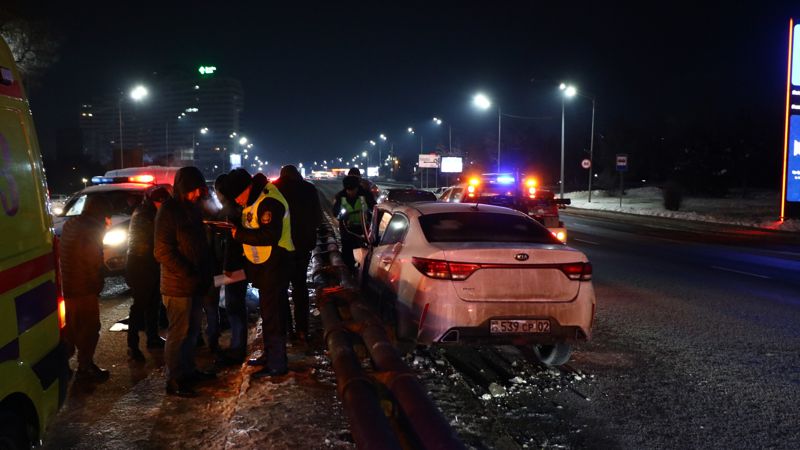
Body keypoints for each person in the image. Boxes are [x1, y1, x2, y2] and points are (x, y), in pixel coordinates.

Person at [224, 168, 294, 378]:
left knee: (273, 315)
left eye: (237, 196)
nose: (237, 201)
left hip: (276, 266)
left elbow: (270, 236)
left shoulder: (268, 201)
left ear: (246, 188)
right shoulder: (255, 200)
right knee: (270, 313)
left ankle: (276, 365)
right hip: (266, 267)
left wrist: (239, 234)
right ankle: (271, 355)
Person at [154, 166, 216, 397]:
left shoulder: (194, 208)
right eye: (192, 190)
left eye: (199, 190)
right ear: (183, 189)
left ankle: (188, 371)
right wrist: (189, 271)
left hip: (195, 283)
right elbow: (162, 251)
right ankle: (174, 379)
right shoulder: (169, 211)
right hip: (178, 285)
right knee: (178, 334)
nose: (196, 195)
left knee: (191, 332)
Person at [60, 195, 112, 382]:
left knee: (71, 328)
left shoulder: (71, 223)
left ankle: (61, 365)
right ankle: (85, 366)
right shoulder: (92, 228)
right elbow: (93, 261)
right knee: (90, 328)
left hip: (68, 285)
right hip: (84, 287)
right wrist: (98, 282)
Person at [274, 165, 322, 343]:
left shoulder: (275, 189)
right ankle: (302, 329)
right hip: (302, 247)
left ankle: (287, 330)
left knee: (281, 289)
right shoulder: (309, 189)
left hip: (281, 248)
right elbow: (318, 219)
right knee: (300, 287)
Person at [125, 185, 171, 362]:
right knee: (140, 305)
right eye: (162, 202)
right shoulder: (145, 215)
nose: (164, 205)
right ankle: (132, 345)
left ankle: (152, 338)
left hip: (149, 263)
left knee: (153, 303)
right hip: (140, 265)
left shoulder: (148, 212)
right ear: (155, 201)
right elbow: (155, 239)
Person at [212, 174, 248, 364]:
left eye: (217, 191)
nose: (216, 195)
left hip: (231, 268)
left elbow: (228, 243)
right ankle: (237, 345)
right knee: (235, 305)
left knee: (234, 307)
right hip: (235, 265)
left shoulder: (228, 212)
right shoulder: (237, 209)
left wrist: (225, 267)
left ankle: (237, 348)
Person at [332, 175, 369, 272]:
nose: (351, 192)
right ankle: (349, 272)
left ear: (357, 188)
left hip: (363, 230)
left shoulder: (365, 195)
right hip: (347, 230)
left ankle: (360, 271)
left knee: (362, 253)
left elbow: (374, 209)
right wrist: (343, 217)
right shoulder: (340, 197)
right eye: (348, 190)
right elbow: (335, 213)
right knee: (347, 252)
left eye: (353, 190)